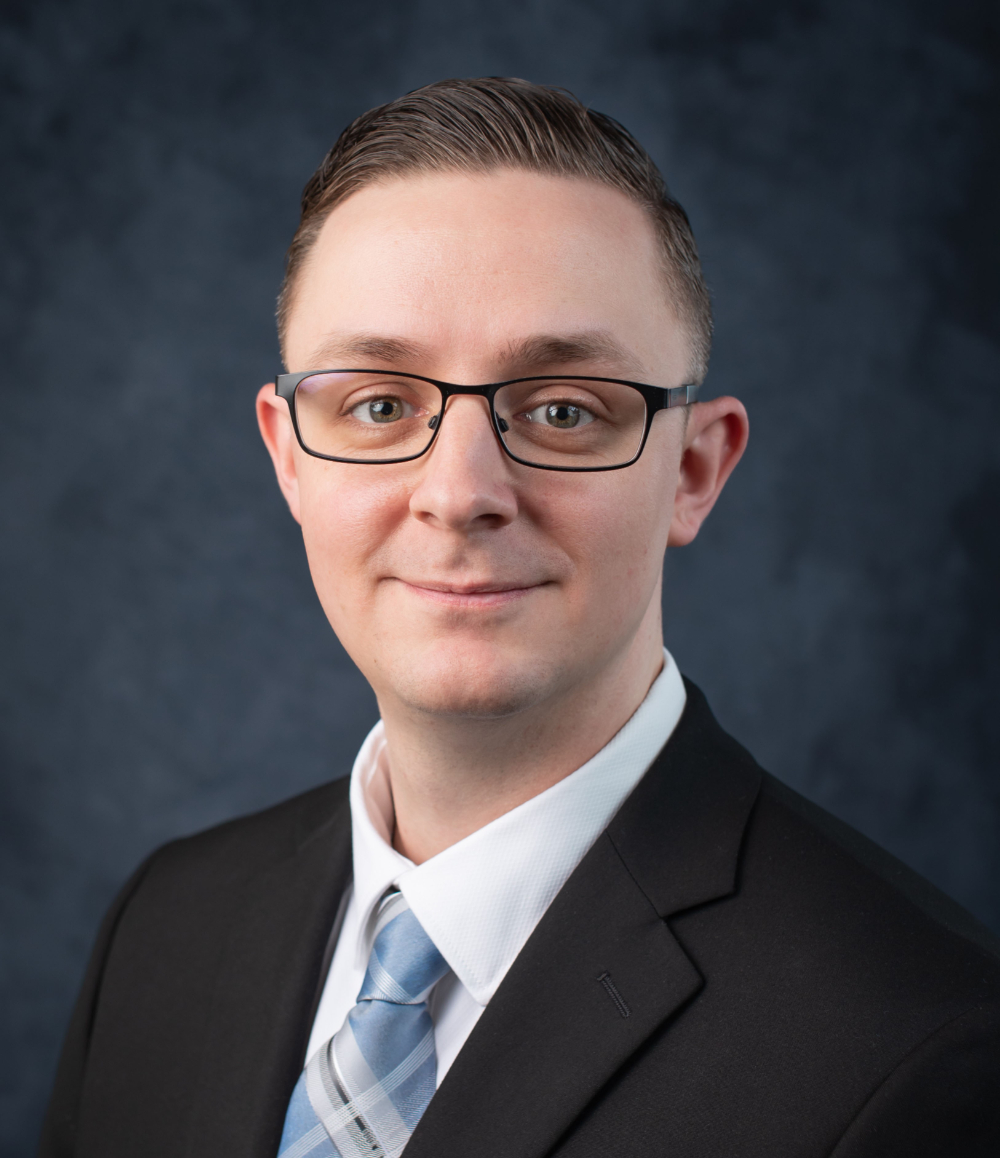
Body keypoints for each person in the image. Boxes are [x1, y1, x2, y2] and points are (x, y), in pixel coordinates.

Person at [39, 77, 1000, 1158]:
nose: (458, 492)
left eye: (560, 411)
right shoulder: (164, 930)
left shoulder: (918, 1045)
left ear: (692, 470)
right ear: (288, 455)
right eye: (378, 404)